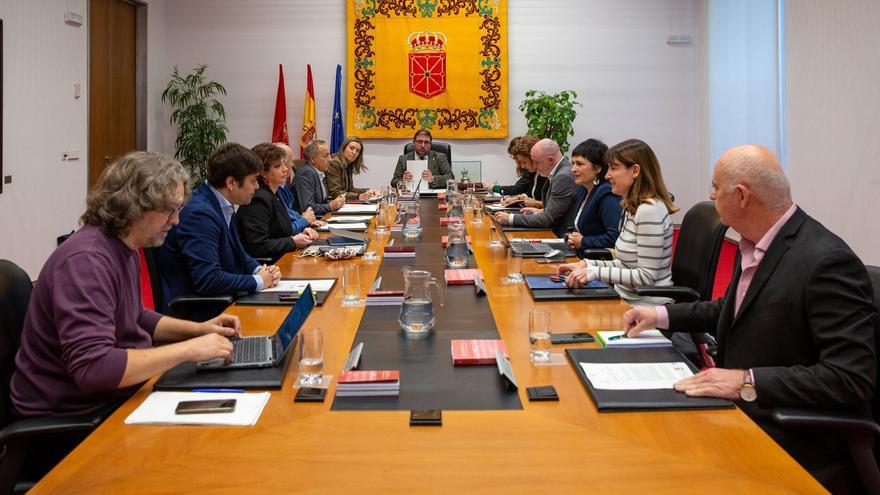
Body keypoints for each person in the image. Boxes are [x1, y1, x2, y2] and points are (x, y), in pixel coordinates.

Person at [621, 145, 876, 493]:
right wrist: (660, 314)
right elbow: (732, 309)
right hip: (737, 411)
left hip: (786, 433)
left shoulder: (826, 262)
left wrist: (745, 380)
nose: (710, 196)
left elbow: (849, 379)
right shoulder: (758, 242)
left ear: (741, 196)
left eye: (715, 187)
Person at [11, 152, 239, 419]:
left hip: (113, 396)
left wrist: (199, 330)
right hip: (75, 415)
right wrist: (189, 350)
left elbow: (135, 315)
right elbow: (94, 369)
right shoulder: (87, 261)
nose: (175, 221)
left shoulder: (124, 246)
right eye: (169, 210)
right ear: (134, 205)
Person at [159, 143, 281, 312]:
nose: (257, 187)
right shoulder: (199, 214)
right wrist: (259, 281)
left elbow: (239, 254)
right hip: (201, 312)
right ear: (231, 182)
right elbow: (208, 280)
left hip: (224, 301)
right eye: (253, 180)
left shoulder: (221, 204)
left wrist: (260, 269)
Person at [557, 138, 677, 305]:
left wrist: (595, 272)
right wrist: (587, 264)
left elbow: (646, 277)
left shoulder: (649, 211)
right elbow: (627, 263)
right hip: (625, 298)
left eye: (613, 168)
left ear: (635, 171)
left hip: (645, 307)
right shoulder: (633, 207)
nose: (607, 175)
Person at [237, 143, 319, 259]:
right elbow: (259, 247)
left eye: (284, 164)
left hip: (283, 260)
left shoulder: (275, 194)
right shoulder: (258, 199)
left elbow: (279, 232)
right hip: (269, 266)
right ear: (263, 173)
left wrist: (300, 233)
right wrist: (293, 241)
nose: (285, 169)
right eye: (277, 166)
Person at [492, 138, 578, 237]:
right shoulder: (559, 172)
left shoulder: (563, 176)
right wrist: (541, 211)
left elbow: (547, 219)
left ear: (550, 160)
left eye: (536, 162)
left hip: (560, 236)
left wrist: (510, 218)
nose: (535, 167)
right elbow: (556, 211)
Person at [565, 138, 622, 254]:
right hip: (579, 255)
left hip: (596, 262)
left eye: (579, 164)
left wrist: (584, 241)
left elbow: (614, 237)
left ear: (597, 168)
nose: (573, 169)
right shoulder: (583, 189)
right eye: (573, 163)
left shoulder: (607, 194)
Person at [274, 142, 326, 231]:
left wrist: (304, 220)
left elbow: (289, 212)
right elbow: (283, 230)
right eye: (290, 161)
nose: (291, 165)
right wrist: (304, 221)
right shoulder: (307, 172)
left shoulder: (281, 186)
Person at [293, 140, 346, 216]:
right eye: (326, 156)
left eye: (329, 155)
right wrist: (330, 206)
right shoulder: (306, 173)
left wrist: (336, 202)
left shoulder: (316, 171)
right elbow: (307, 208)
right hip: (309, 223)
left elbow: (320, 201)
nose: (330, 159)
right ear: (313, 159)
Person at [493, 135, 546, 208]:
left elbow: (555, 205)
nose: (522, 166)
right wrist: (519, 198)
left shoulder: (551, 174)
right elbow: (531, 192)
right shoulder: (535, 172)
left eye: (523, 162)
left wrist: (537, 203)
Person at [326, 136, 379, 200]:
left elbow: (350, 189)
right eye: (351, 148)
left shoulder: (348, 164)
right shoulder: (335, 163)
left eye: (357, 151)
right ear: (343, 148)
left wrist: (368, 191)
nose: (354, 152)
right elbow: (335, 192)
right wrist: (358, 196)